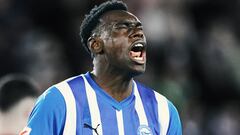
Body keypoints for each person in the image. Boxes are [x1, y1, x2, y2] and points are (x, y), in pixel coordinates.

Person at [20, 1, 182, 135]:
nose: (138, 34)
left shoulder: (163, 111)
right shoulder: (59, 101)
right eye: (123, 28)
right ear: (96, 45)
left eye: (139, 29)